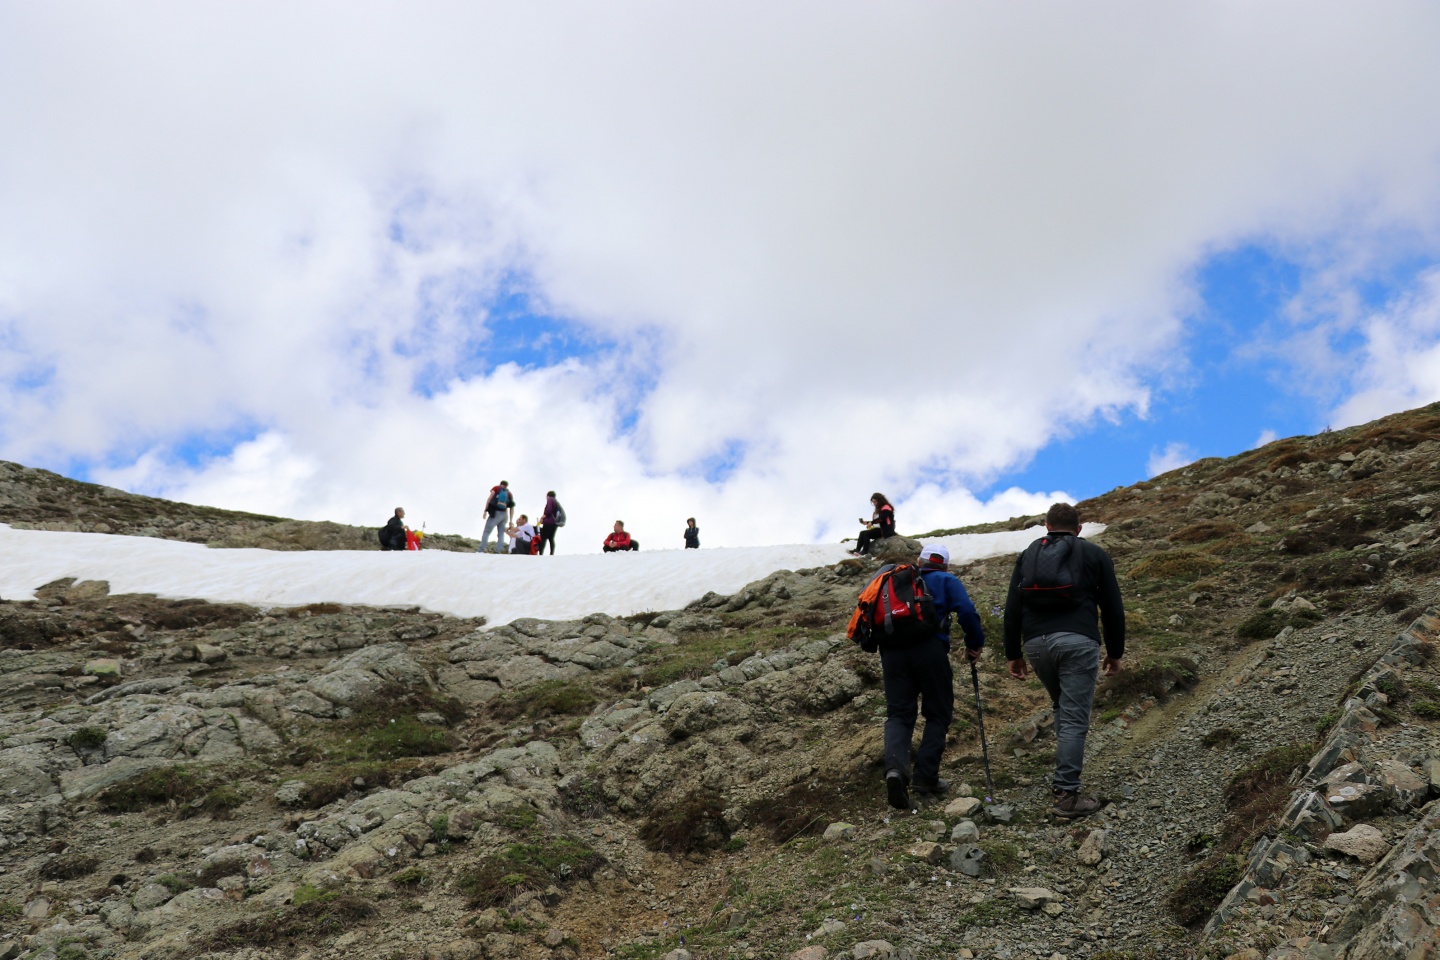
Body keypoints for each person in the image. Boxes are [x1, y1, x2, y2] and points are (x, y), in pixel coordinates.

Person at [1004, 502, 1125, 820]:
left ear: (1046, 526)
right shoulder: (1094, 554)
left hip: (1035, 645)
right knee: (1073, 718)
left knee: (1062, 707)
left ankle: (1063, 782)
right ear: (1079, 528)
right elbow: (1112, 608)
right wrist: (1115, 652)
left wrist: (1013, 654)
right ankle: (1066, 795)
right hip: (1077, 641)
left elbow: (1013, 607)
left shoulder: (1029, 553)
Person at [881, 542, 986, 810]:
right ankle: (925, 778)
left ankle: (895, 771)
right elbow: (967, 611)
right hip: (930, 650)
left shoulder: (895, 581)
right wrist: (974, 643)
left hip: (892, 653)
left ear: (919, 560)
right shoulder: (946, 580)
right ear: (945, 565)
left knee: (899, 715)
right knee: (938, 713)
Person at [480, 481, 514, 554]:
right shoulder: (509, 493)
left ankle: (481, 550)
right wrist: (511, 520)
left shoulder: (496, 488)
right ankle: (498, 551)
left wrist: (485, 511)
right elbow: (511, 507)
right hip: (505, 514)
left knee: (486, 531)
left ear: (500, 484)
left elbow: (489, 498)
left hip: (496, 513)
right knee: (501, 533)